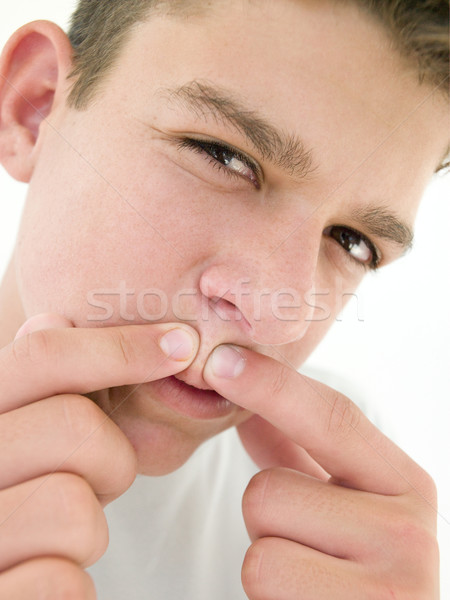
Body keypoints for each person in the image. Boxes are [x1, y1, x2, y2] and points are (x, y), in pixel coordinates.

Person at [0, 0, 448, 597]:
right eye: (225, 157)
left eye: (353, 242)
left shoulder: (345, 515)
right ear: (35, 107)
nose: (273, 313)